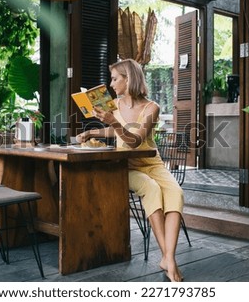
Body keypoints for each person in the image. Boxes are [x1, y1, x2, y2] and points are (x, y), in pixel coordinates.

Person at [76, 58, 184, 282]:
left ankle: (168, 257)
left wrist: (113, 123)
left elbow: (134, 140)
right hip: (125, 165)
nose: (111, 83)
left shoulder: (152, 107)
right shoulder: (113, 105)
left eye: (115, 79)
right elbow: (115, 133)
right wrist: (92, 133)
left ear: (129, 79)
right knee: (151, 189)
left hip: (152, 163)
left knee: (176, 192)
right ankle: (169, 259)